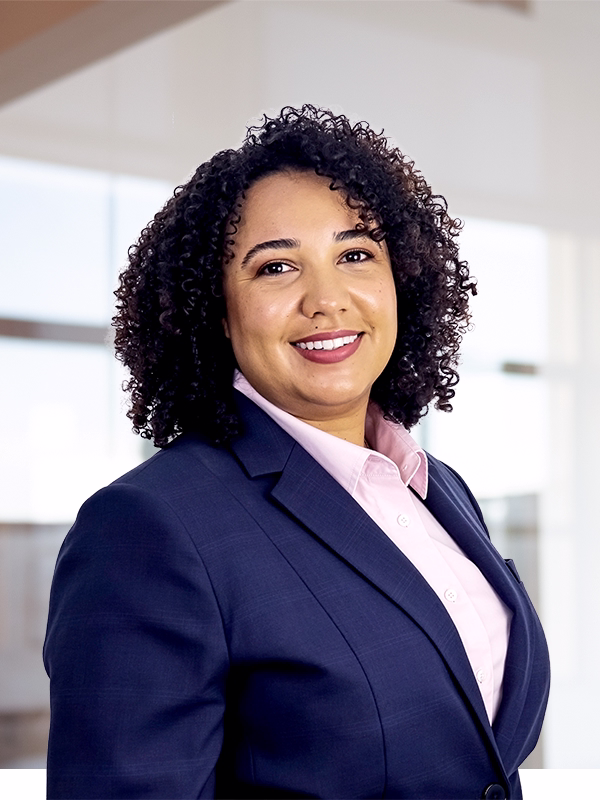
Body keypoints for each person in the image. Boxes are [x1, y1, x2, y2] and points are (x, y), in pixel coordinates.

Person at [44, 105, 549, 800]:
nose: (326, 299)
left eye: (355, 255)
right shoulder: (149, 529)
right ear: (217, 312)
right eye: (276, 267)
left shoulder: (437, 488)